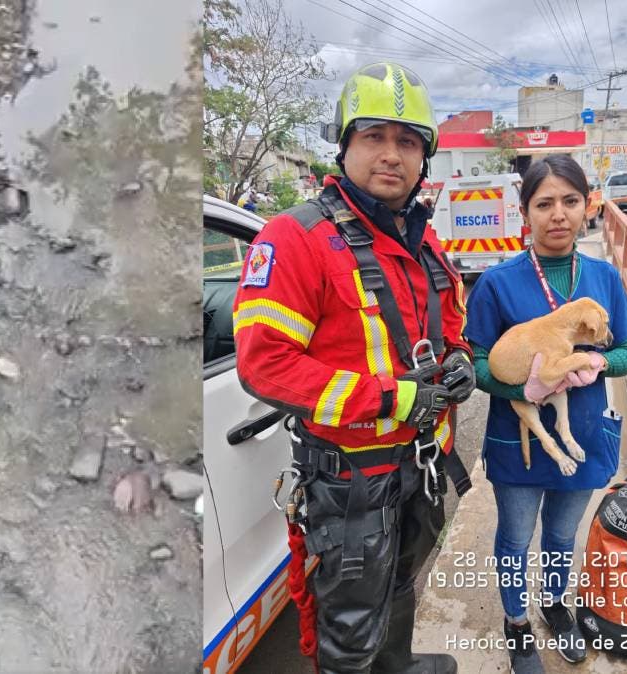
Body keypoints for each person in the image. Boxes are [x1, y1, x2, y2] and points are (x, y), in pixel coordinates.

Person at [233, 62, 474, 674]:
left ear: (425, 157)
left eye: (408, 141)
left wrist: (461, 364)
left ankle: (397, 665)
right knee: (349, 627)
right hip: (351, 481)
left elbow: (450, 332)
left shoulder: (423, 242)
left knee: (399, 584)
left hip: (419, 462)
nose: (391, 155)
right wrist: (390, 399)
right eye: (374, 136)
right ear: (343, 145)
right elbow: (266, 366)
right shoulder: (295, 239)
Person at [464, 154, 627, 673]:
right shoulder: (499, 282)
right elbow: (475, 364)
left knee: (562, 536)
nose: (558, 214)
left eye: (570, 200)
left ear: (588, 206)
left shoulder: (604, 278)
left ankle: (556, 606)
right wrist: (526, 381)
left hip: (582, 431)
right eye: (544, 203)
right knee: (516, 537)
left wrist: (597, 360)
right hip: (517, 436)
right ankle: (517, 622)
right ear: (526, 213)